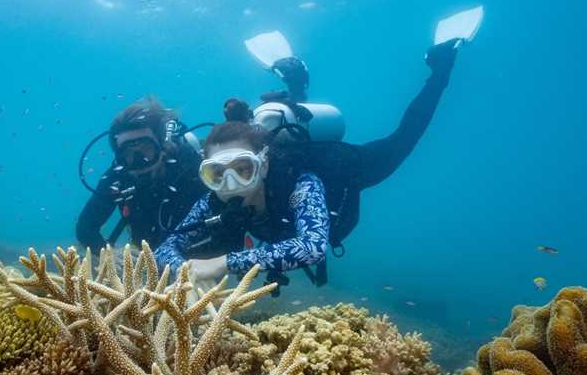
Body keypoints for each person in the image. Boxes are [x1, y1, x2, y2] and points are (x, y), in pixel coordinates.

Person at [154, 38, 461, 290]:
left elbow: (313, 246)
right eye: (217, 174)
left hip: (348, 169)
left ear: (263, 165)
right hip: (272, 152)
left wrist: (222, 264)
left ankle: (441, 69)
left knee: (402, 141)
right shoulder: (212, 201)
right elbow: (164, 249)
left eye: (243, 168)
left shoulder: (301, 183)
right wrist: (184, 271)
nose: (230, 183)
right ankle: (294, 89)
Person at [76, 98, 208, 252]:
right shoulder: (118, 177)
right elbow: (85, 228)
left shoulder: (189, 165)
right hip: (148, 257)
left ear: (162, 145)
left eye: (146, 148)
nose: (139, 160)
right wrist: (109, 256)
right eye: (128, 153)